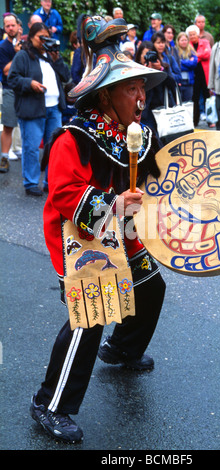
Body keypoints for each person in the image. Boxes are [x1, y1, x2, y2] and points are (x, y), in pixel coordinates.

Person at [29, 14, 166, 444]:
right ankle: (49, 404)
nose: (142, 95)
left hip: (118, 227)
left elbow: (154, 179)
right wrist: (113, 204)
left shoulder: (133, 132)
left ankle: (122, 349)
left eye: (143, 86)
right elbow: (65, 194)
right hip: (78, 232)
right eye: (132, 87)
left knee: (150, 284)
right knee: (92, 311)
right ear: (107, 96)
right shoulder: (75, 136)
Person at [8, 22, 70, 196]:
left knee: (54, 148)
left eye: (46, 37)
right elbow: (13, 78)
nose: (43, 41)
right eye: (40, 37)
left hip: (54, 108)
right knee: (32, 147)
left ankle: (51, 182)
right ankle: (31, 182)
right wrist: (29, 83)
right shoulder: (23, 56)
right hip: (33, 109)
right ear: (31, 36)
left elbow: (66, 76)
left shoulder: (51, 56)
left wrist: (57, 60)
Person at [135, 40, 177, 132]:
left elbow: (172, 84)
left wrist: (160, 70)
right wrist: (146, 72)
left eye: (151, 55)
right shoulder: (135, 70)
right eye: (146, 55)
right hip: (146, 111)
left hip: (163, 108)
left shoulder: (163, 67)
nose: (148, 58)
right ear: (140, 56)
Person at [0, 13, 22, 173]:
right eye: (7, 26)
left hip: (25, 90)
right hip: (9, 89)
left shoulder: (25, 44)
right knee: (8, 125)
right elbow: (6, 71)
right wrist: (17, 54)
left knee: (27, 126)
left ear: (17, 25)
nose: (10, 28)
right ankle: (4, 158)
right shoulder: (3, 47)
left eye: (12, 25)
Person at [186, 24, 211, 126]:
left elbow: (208, 54)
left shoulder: (205, 42)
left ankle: (210, 120)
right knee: (195, 97)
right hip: (194, 75)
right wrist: (199, 57)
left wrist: (195, 57)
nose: (192, 36)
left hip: (205, 74)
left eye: (194, 34)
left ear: (198, 34)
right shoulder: (188, 45)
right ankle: (195, 121)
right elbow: (187, 59)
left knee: (207, 96)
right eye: (190, 35)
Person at [176, 31, 198, 101]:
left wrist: (181, 61)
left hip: (189, 82)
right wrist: (188, 63)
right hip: (179, 82)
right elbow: (177, 67)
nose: (184, 42)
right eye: (182, 40)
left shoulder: (191, 51)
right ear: (178, 41)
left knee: (188, 103)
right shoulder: (175, 51)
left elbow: (193, 64)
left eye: (185, 40)